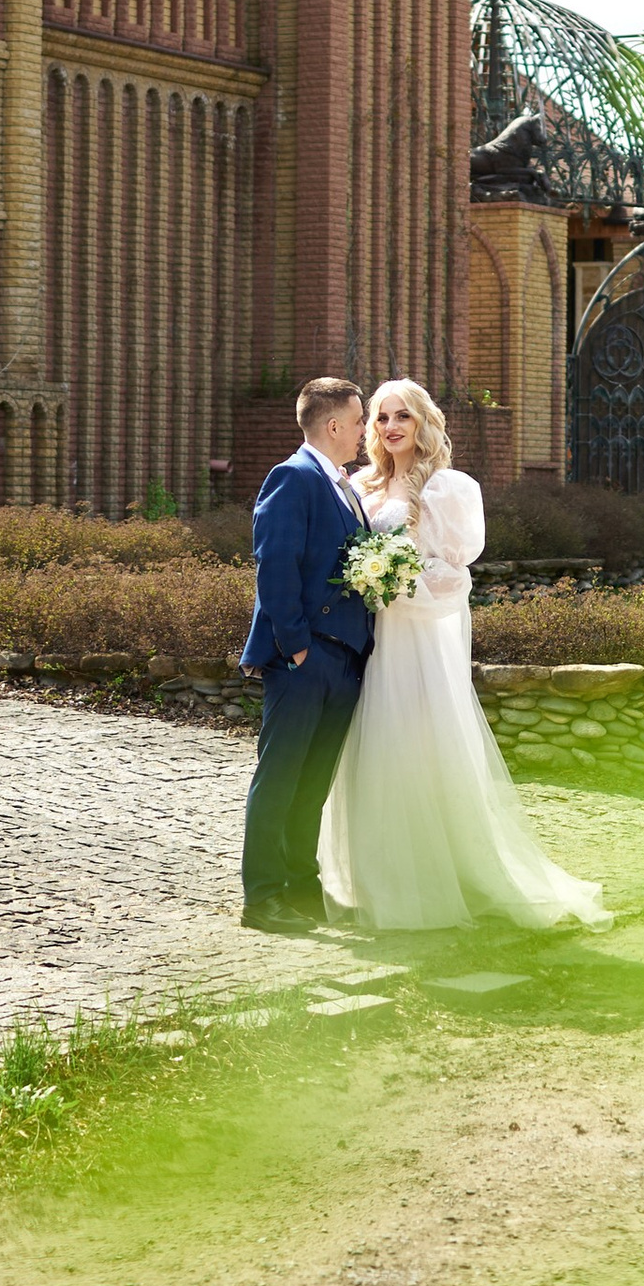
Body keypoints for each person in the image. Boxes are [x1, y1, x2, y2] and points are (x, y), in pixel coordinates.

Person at [320, 378, 606, 933]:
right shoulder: (360, 485)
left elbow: (455, 576)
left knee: (419, 746)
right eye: (380, 419)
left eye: (403, 416)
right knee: (369, 747)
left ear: (424, 423)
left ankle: (445, 874)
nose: (391, 427)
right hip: (366, 640)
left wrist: (398, 582)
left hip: (417, 641)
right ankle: (376, 875)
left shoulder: (449, 488)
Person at [239, 376, 374, 934]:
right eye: (361, 420)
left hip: (345, 659)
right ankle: (263, 897)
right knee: (280, 779)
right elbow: (276, 567)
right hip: (305, 658)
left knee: (312, 783)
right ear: (335, 424)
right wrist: (295, 648)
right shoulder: (291, 478)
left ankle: (301, 888)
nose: (367, 431)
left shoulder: (343, 484)